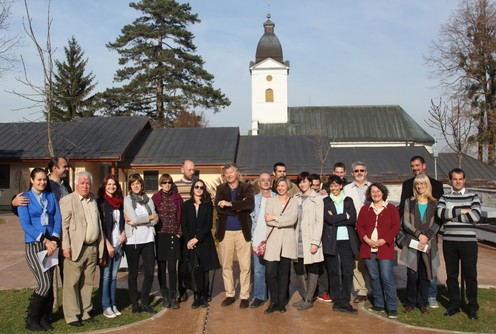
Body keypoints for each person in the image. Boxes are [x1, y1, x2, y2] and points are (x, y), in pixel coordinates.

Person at [18, 168, 62, 332]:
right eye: (39, 179)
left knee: (49, 284)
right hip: (35, 244)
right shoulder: (24, 198)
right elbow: (26, 225)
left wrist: (55, 239)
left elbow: (57, 218)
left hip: (51, 244)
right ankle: (31, 319)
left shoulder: (50, 196)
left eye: (44, 179)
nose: (42, 182)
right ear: (31, 180)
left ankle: (44, 318)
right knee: (43, 284)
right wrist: (44, 240)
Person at [60, 171, 105, 327]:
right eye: (82, 183)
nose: (85, 186)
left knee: (87, 282)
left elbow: (98, 225)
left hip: (92, 247)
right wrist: (65, 247)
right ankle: (72, 315)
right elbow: (63, 227)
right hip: (76, 248)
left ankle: (85, 312)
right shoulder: (68, 200)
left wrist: (100, 249)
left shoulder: (93, 200)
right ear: (76, 184)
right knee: (72, 283)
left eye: (87, 183)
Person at [399, 155, 444, 308]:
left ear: (424, 166)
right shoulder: (407, 186)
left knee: (428, 270)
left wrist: (427, 236)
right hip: (412, 238)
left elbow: (439, 219)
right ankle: (411, 300)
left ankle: (428, 297)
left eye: (417, 165)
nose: (415, 168)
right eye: (413, 166)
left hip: (429, 239)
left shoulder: (437, 187)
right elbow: (403, 213)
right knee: (412, 271)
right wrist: (415, 234)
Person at [437, 168, 481, 320]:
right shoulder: (444, 197)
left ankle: (472, 306)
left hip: (468, 242)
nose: (458, 181)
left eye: (460, 179)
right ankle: (454, 304)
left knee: (470, 275)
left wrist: (452, 214)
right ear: (450, 180)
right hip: (449, 242)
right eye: (455, 179)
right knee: (452, 275)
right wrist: (463, 210)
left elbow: (475, 216)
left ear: (464, 179)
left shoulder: (473, 196)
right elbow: (441, 214)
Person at [356, 182, 400, 319]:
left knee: (386, 277)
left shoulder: (391, 208)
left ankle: (392, 307)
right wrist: (366, 240)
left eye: (378, 191)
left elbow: (395, 227)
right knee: (374, 277)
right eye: (373, 191)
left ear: (383, 193)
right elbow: (360, 226)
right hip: (368, 248)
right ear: (370, 194)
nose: (376, 194)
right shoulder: (365, 209)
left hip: (384, 248)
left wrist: (384, 240)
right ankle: (379, 303)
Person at [215, 163, 255, 309]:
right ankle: (230, 294)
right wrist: (239, 206)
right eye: (227, 173)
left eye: (232, 172)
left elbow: (249, 204)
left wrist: (229, 204)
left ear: (237, 173)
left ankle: (244, 296)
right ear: (224, 175)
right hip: (225, 232)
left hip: (242, 232)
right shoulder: (221, 189)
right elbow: (218, 206)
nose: (229, 175)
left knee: (245, 266)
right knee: (226, 265)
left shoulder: (247, 187)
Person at [181, 179, 221, 308]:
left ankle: (204, 296)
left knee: (204, 270)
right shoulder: (186, 205)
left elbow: (208, 224)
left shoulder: (207, 204)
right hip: (190, 242)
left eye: (201, 187)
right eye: (197, 186)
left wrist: (197, 239)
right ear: (193, 188)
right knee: (194, 270)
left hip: (204, 241)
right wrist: (189, 240)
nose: (199, 189)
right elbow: (184, 224)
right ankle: (196, 296)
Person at [322, 175, 359, 314]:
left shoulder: (348, 200)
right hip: (332, 240)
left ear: (341, 186)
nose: (334, 188)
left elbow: (353, 219)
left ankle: (345, 301)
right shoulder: (326, 201)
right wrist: (344, 216)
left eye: (336, 185)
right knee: (334, 271)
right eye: (331, 186)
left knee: (348, 270)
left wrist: (336, 219)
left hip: (346, 240)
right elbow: (328, 219)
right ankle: (337, 301)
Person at [123, 173, 159, 314]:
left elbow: (156, 219)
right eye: (133, 184)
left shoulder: (148, 200)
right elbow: (134, 219)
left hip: (148, 239)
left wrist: (143, 219)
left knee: (149, 272)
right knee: (133, 274)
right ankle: (134, 303)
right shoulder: (127, 200)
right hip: (133, 241)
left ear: (141, 184)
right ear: (130, 187)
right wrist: (149, 217)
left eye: (138, 183)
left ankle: (144, 302)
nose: (136, 186)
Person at [263, 177, 298, 314]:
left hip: (287, 242)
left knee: (284, 274)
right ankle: (274, 301)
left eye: (283, 185)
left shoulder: (294, 202)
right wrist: (280, 220)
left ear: (288, 187)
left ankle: (281, 302)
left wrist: (276, 218)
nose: (280, 188)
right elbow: (267, 220)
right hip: (273, 241)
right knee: (270, 273)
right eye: (278, 185)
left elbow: (292, 219)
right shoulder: (270, 201)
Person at [291, 172, 324, 311]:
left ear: (310, 182)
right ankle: (304, 297)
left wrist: (315, 242)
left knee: (312, 268)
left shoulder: (317, 198)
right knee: (298, 268)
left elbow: (319, 221)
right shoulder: (295, 197)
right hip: (296, 238)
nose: (302, 184)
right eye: (300, 182)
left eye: (304, 181)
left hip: (310, 239)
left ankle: (309, 298)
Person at [152, 173, 183, 309]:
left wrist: (179, 233)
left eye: (169, 182)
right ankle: (164, 295)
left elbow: (181, 216)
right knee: (161, 267)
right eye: (164, 182)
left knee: (172, 268)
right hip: (160, 236)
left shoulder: (177, 198)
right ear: (160, 183)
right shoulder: (155, 198)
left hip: (173, 235)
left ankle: (173, 296)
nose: (167, 185)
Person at [97, 174, 126, 319]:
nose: (111, 186)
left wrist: (123, 233)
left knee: (114, 276)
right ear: (104, 185)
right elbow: (100, 227)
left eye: (114, 184)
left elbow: (123, 221)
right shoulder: (101, 202)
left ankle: (114, 304)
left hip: (119, 243)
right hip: (107, 245)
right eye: (109, 184)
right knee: (106, 275)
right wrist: (107, 244)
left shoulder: (120, 202)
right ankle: (105, 305)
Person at [343, 161, 371, 303]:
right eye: (356, 171)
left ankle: (374, 288)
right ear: (352, 173)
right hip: (353, 228)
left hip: (371, 229)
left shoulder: (373, 187)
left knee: (372, 259)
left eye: (362, 170)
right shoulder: (347, 189)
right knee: (356, 259)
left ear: (366, 172)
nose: (359, 173)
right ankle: (361, 290)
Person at [250, 172, 276, 308]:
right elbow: (249, 218)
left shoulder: (278, 197)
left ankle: (274, 297)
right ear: (259, 183)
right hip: (258, 239)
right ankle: (259, 296)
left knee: (272, 272)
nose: (265, 182)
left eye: (268, 180)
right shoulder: (254, 199)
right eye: (262, 180)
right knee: (259, 271)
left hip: (273, 240)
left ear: (271, 183)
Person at [174, 159, 196, 302]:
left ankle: (197, 290)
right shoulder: (175, 186)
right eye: (189, 169)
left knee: (195, 263)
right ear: (182, 169)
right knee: (182, 262)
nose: (192, 172)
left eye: (193, 169)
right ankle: (181, 290)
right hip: (181, 231)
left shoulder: (198, 185)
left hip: (195, 231)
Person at [309, 173, 332, 303]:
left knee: (322, 264)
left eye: (317, 185)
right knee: (311, 265)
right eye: (313, 185)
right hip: (308, 236)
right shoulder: (302, 198)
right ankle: (312, 291)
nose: (315, 188)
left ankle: (323, 291)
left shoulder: (325, 198)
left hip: (323, 235)